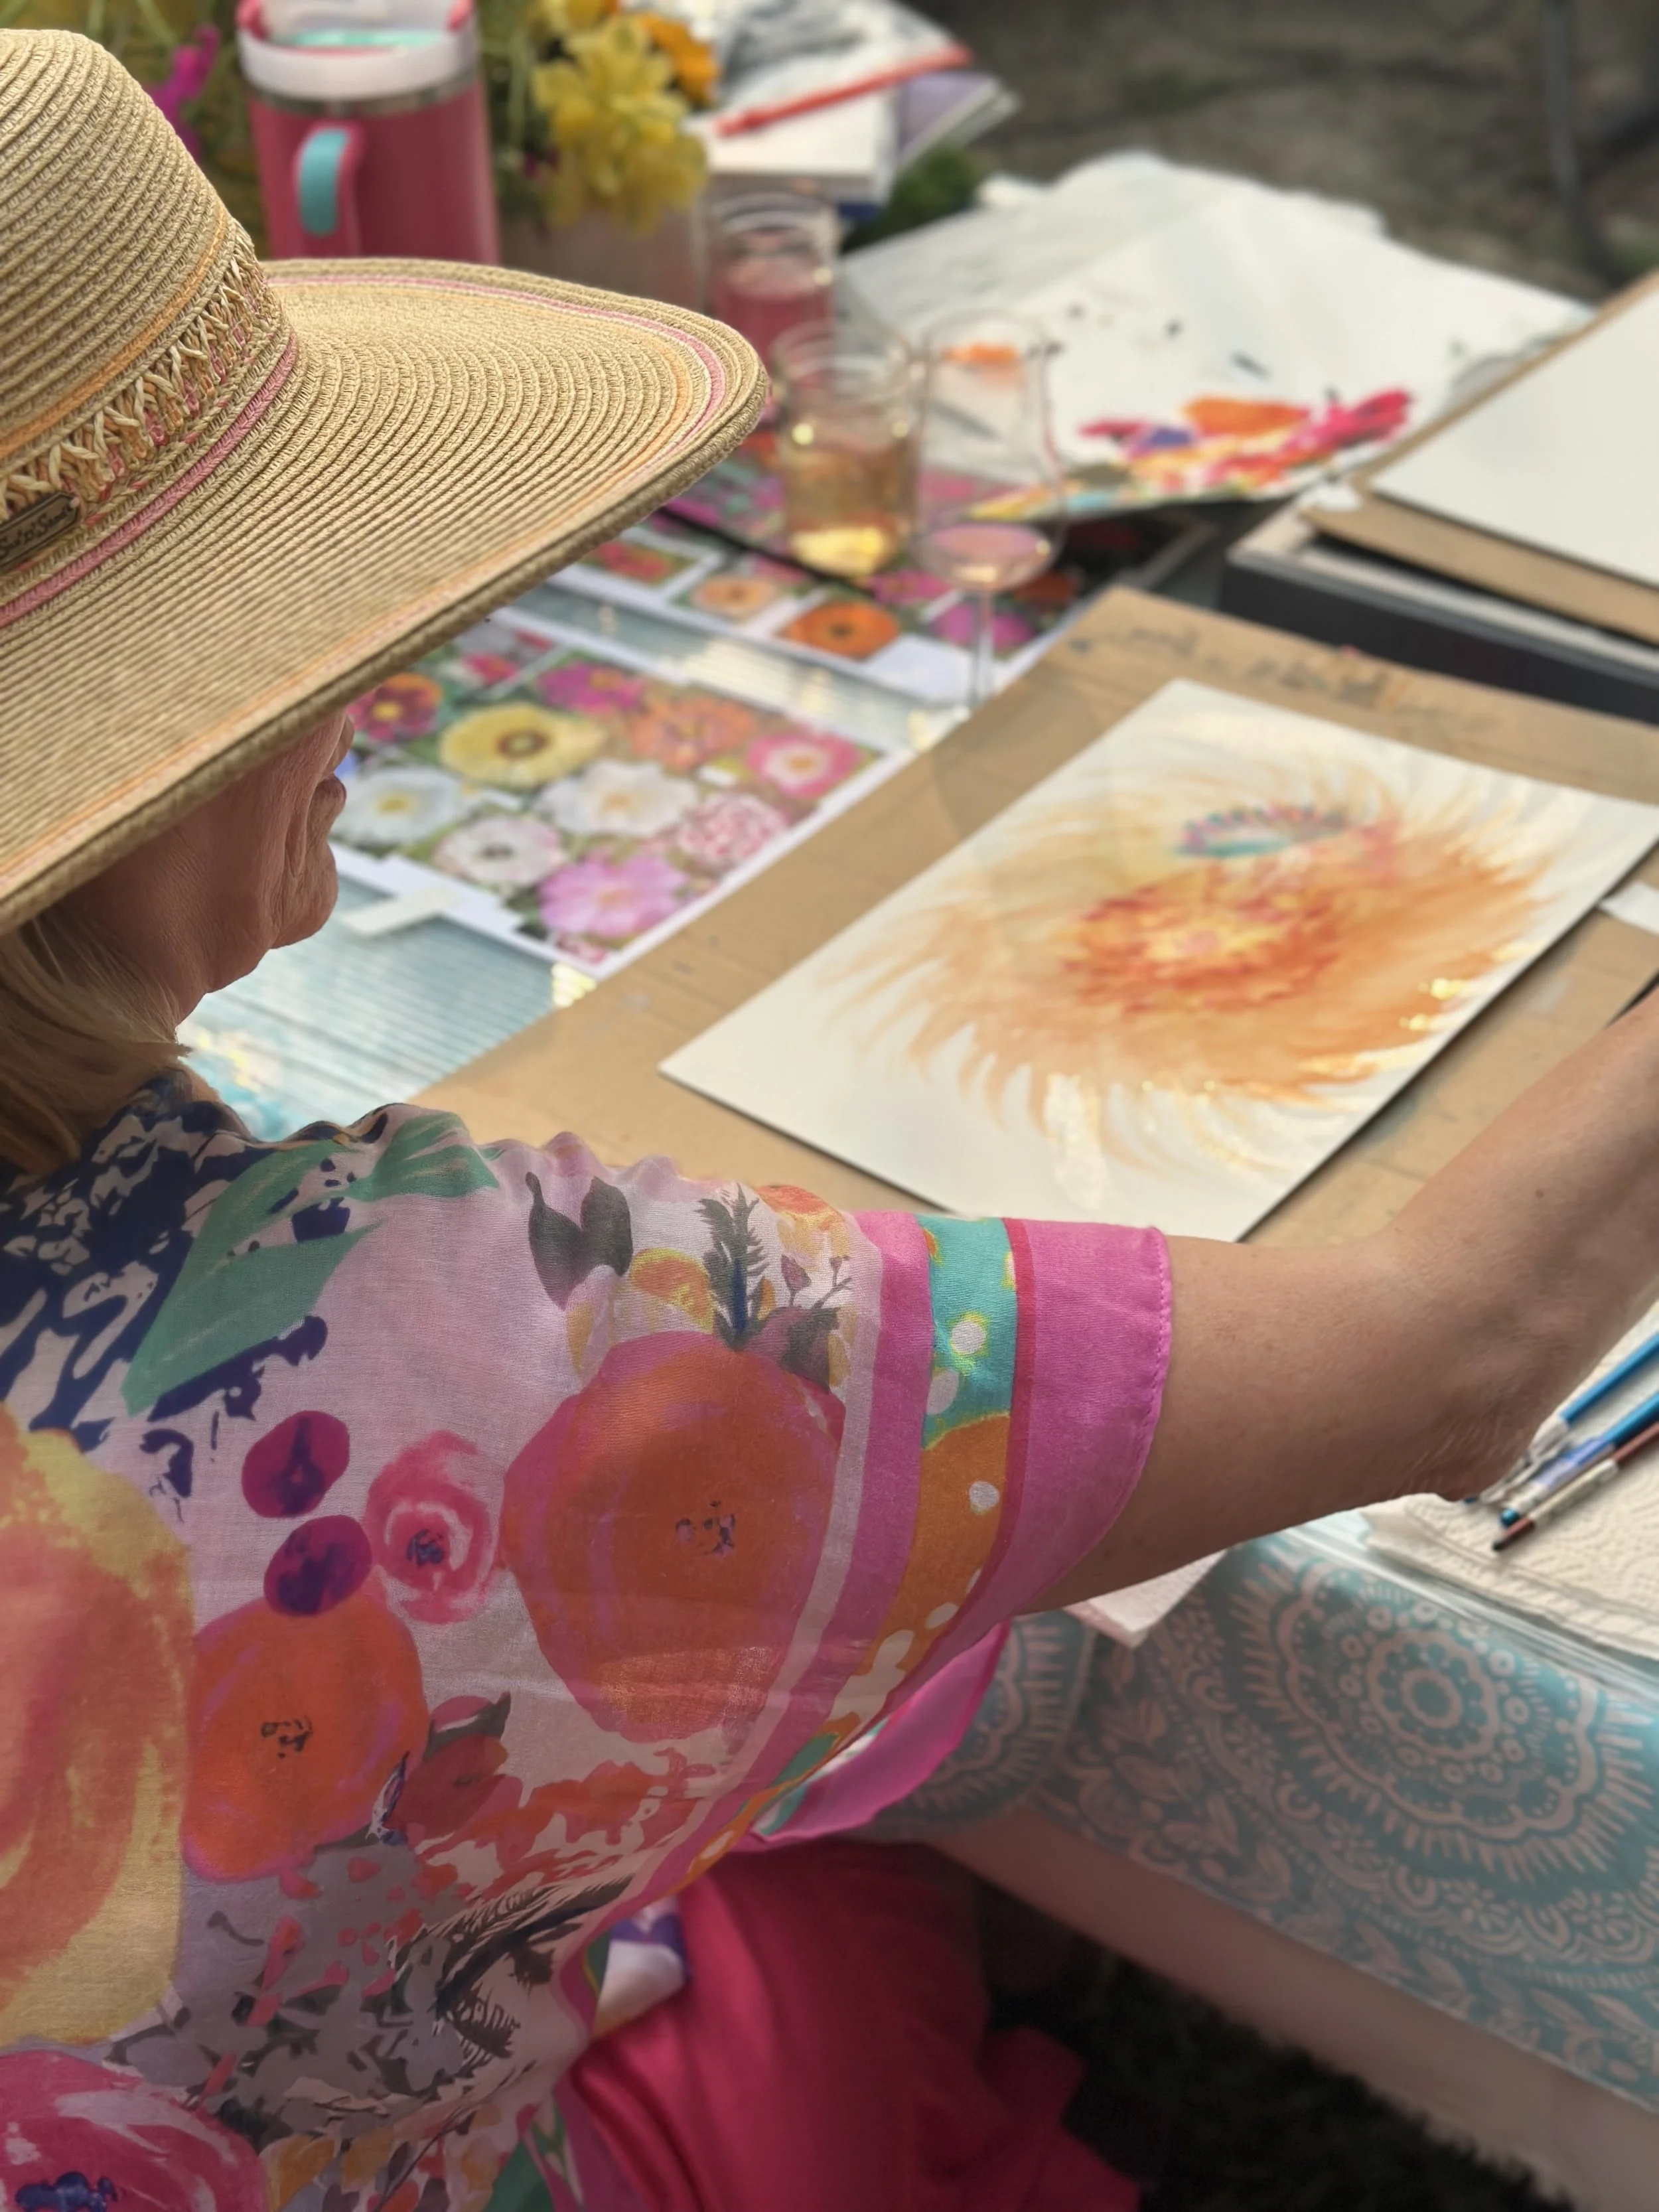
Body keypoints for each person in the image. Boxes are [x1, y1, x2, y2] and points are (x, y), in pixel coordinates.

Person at [4, 30, 1658, 2212]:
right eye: (285, 635)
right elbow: (1451, 1347)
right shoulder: (426, 1352)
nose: (371, 692)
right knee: (832, 1913)